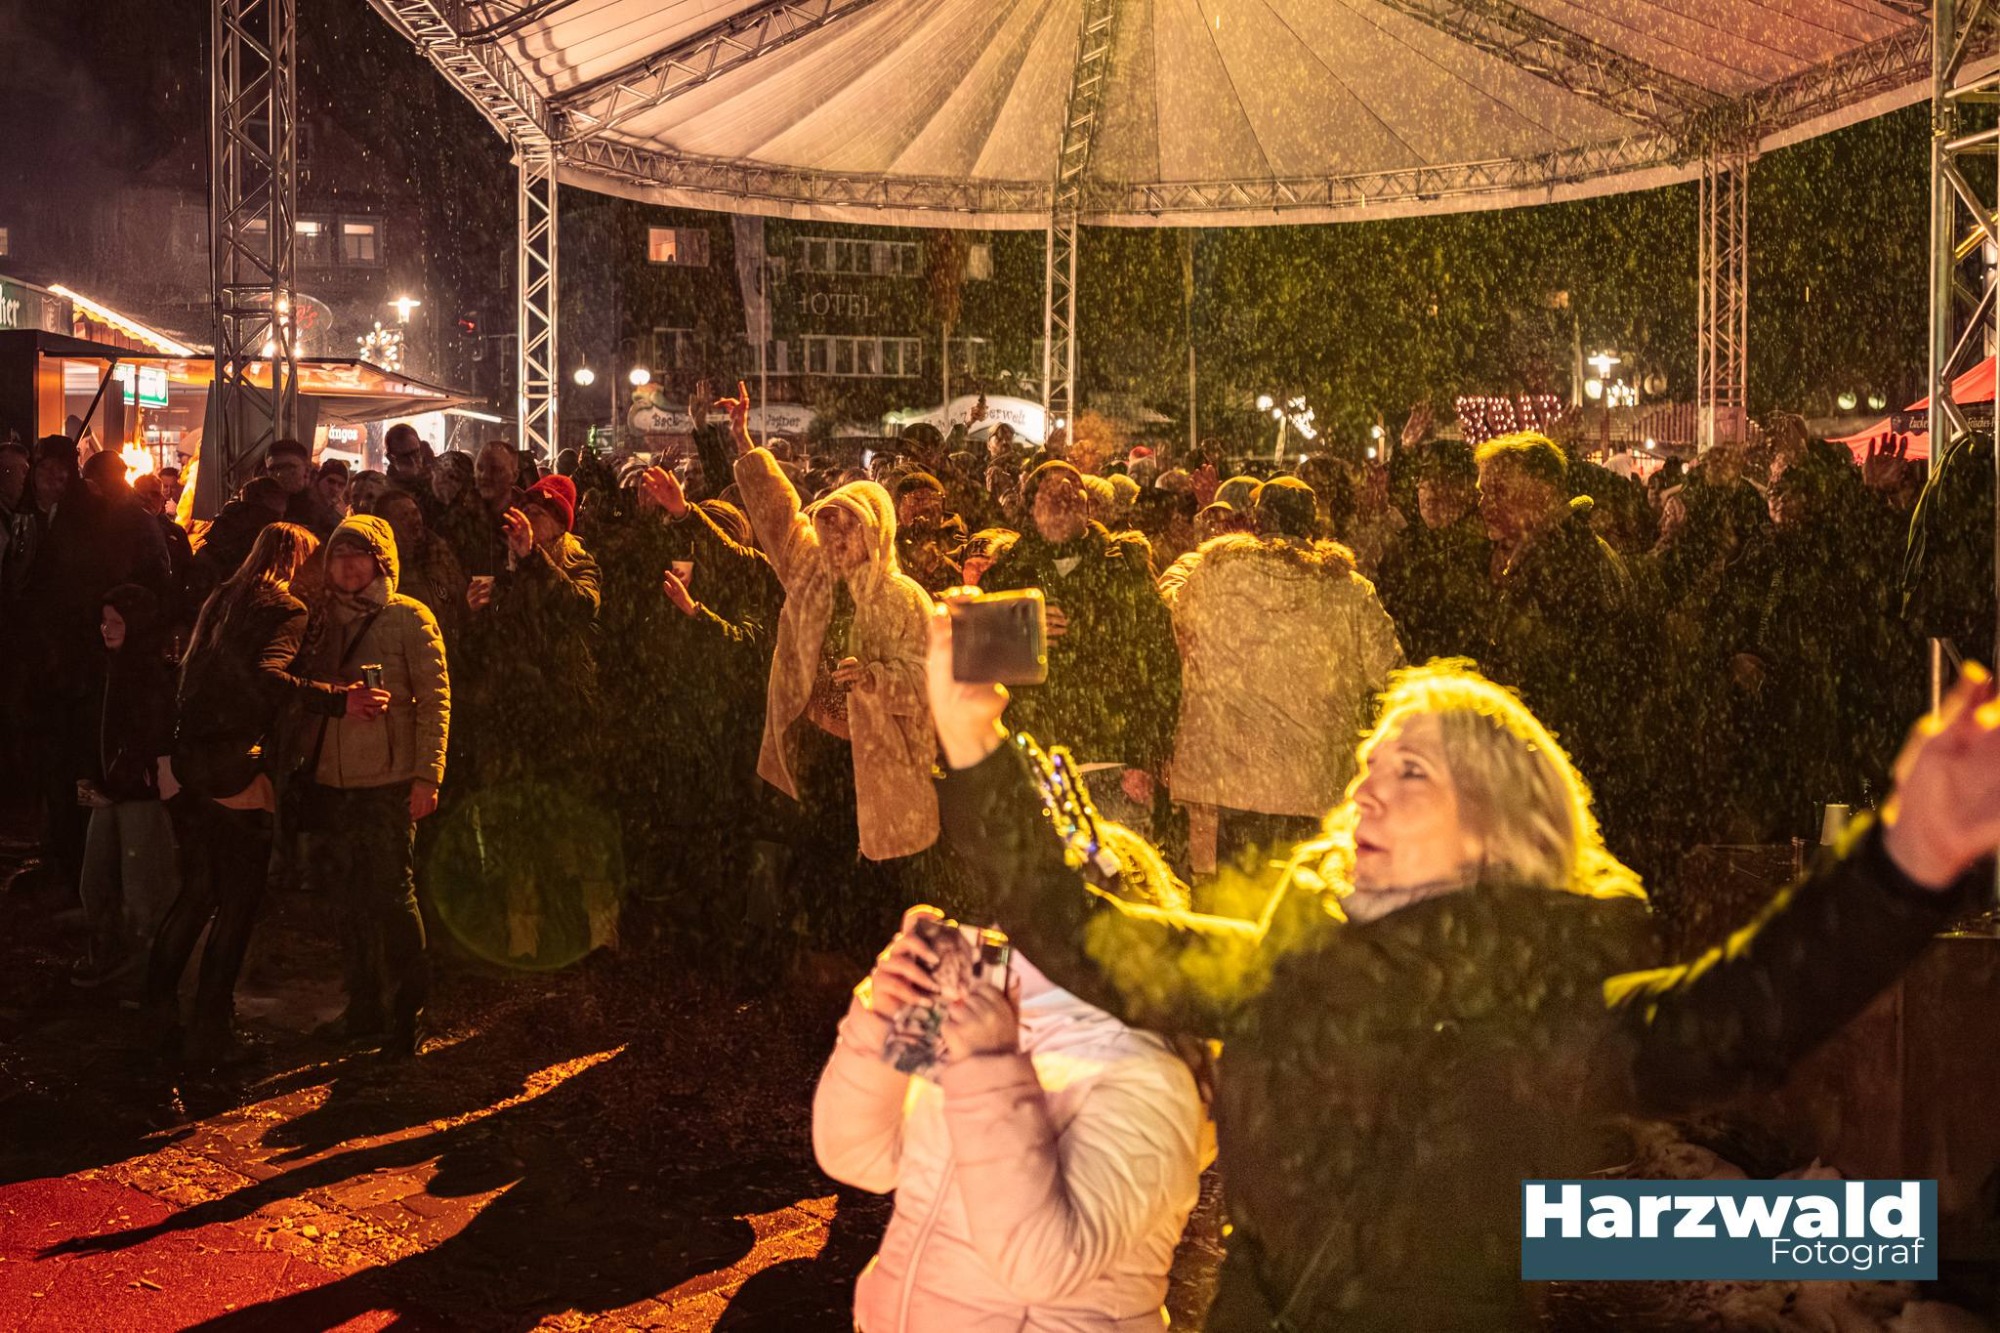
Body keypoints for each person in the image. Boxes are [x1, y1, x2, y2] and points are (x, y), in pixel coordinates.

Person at [928, 618, 2000, 1331]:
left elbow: (1739, 1017)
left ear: (1494, 828)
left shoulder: (1535, 1008)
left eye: (1412, 771)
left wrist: (1901, 865)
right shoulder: (1280, 966)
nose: (1368, 790)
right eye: (1368, 767)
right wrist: (973, 742)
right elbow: (1075, 929)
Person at [812, 893, 1210, 1333]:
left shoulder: (1150, 1078)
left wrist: (989, 1064)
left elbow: (1041, 1265)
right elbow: (858, 1157)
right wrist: (883, 1018)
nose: (1008, 933)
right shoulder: (987, 1023)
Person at [148, 523, 387, 1065]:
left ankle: (157, 1010)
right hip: (237, 764)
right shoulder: (285, 609)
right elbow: (268, 677)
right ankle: (211, 1027)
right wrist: (337, 699)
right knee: (237, 903)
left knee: (197, 893)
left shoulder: (224, 599)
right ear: (297, 560)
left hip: (194, 761)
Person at [723, 380, 938, 941]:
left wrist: (875, 679)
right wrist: (744, 443)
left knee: (872, 862)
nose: (836, 534)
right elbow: (777, 514)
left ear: (877, 530)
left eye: (850, 524)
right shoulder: (809, 572)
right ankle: (817, 953)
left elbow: (926, 680)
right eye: (830, 522)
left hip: (875, 755)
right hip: (815, 747)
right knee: (816, 854)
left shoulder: (905, 598)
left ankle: (873, 955)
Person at [1163, 477, 1403, 874]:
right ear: (1313, 525)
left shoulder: (1217, 575)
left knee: (1238, 902)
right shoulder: (1349, 590)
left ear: (1257, 521)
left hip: (1233, 784)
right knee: (1305, 900)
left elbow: (1174, 616)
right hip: (1316, 785)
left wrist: (1186, 562)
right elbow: (1391, 675)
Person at [285, 515, 448, 1056]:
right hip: (331, 782)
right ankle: (363, 1005)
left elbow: (435, 703)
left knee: (393, 897)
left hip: (388, 782)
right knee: (348, 899)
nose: (348, 565)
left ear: (381, 561)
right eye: (339, 554)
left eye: (359, 554)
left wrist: (428, 776)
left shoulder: (409, 617)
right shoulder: (318, 620)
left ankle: (409, 1013)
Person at [978, 461, 1180, 834]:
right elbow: (977, 665)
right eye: (1051, 493)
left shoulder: (1125, 568)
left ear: (1088, 507)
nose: (1063, 500)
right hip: (1030, 762)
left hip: (1113, 762)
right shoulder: (1005, 577)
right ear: (1031, 508)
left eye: (1072, 491)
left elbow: (1160, 663)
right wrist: (1023, 632)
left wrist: (1146, 756)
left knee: (1119, 865)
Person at [72, 584, 180, 991]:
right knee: (96, 880)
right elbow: (91, 731)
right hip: (108, 792)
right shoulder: (104, 668)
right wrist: (88, 776)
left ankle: (144, 974)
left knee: (142, 887)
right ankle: (107, 957)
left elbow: (148, 739)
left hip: (137, 795)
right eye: (104, 621)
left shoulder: (150, 676)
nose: (107, 629)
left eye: (117, 622)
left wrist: (117, 785)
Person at [1375, 440, 1492, 664]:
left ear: (1470, 489)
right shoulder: (1406, 548)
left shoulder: (1487, 551)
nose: (1429, 488)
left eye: (1443, 478)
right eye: (1423, 479)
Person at [376, 486, 468, 651]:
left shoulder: (438, 552)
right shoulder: (383, 568)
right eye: (404, 516)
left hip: (449, 649)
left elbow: (459, 596)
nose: (414, 520)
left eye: (415, 512)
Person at [267, 438, 339, 539]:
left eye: (289, 467)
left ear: (307, 470)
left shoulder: (324, 518)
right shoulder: (261, 511)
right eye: (273, 469)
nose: (279, 474)